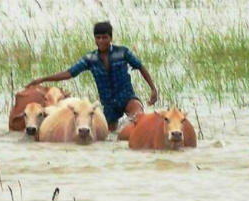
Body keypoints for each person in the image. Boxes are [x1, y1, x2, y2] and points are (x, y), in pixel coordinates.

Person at [26, 21, 158, 131]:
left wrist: (153, 89)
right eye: (98, 38)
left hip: (127, 98)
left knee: (139, 121)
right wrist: (43, 79)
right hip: (109, 105)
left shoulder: (123, 52)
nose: (101, 41)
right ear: (95, 39)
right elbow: (69, 73)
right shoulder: (90, 58)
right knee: (109, 136)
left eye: (104, 37)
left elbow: (141, 67)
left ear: (110, 38)